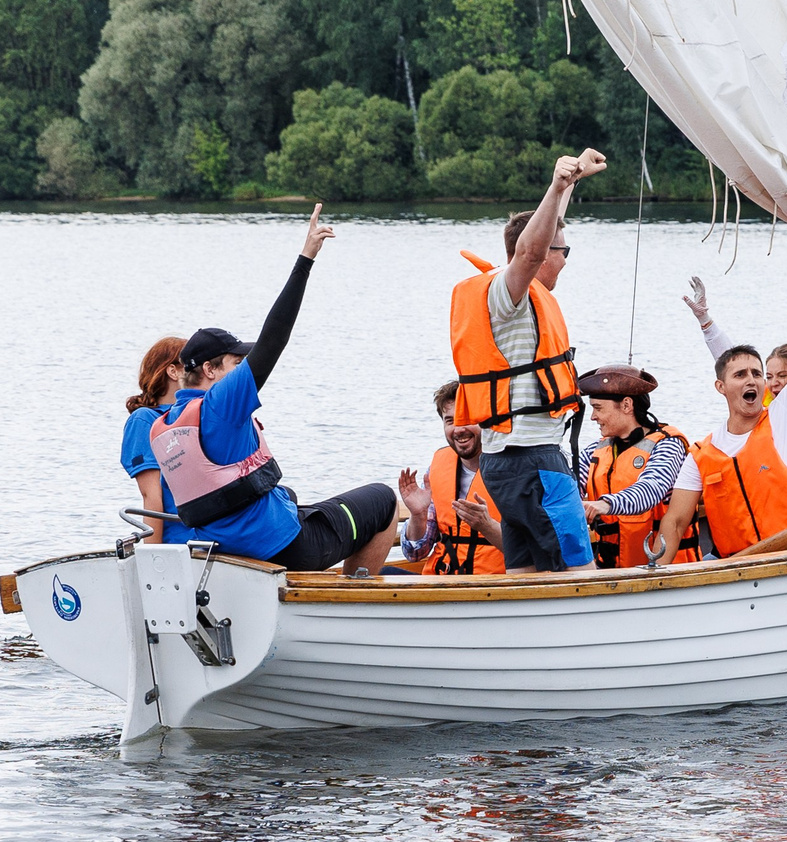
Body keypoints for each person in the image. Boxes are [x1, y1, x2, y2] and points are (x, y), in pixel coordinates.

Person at [150, 205, 401, 575]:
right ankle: (352, 598)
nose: (243, 370)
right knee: (384, 501)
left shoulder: (165, 427)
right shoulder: (220, 403)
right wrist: (305, 260)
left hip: (224, 552)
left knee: (295, 500)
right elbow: (274, 338)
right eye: (236, 363)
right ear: (209, 370)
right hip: (286, 548)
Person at [447, 150, 605, 573]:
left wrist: (571, 183)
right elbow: (530, 252)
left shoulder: (514, 293)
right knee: (578, 572)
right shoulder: (508, 294)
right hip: (534, 461)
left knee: (524, 574)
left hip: (504, 464)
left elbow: (541, 240)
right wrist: (555, 185)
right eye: (564, 251)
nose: (565, 259)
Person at [655, 269, 787, 558]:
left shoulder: (786, 418)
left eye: (757, 374)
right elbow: (675, 523)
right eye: (741, 375)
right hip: (736, 569)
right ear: (721, 387)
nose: (751, 380)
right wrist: (656, 573)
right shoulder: (701, 455)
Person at [682, 241, 787, 511]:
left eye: (783, 376)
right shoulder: (767, 408)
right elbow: (732, 366)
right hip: (776, 513)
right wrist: (706, 322)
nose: (774, 383)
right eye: (769, 376)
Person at [574, 365, 696, 567]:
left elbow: (651, 489)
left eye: (598, 408)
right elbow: (571, 486)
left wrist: (604, 505)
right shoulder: (594, 451)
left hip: (667, 570)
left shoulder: (669, 445)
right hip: (610, 570)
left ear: (626, 405)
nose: (593, 417)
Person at [395, 381, 504, 574]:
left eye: (466, 419)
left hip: (492, 584)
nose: (459, 429)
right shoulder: (437, 468)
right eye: (450, 421)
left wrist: (487, 526)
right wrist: (418, 515)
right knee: (380, 574)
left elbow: (537, 551)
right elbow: (415, 554)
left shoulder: (514, 471)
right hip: (441, 581)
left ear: (486, 421)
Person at [120, 334, 191, 544]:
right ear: (173, 371)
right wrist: (153, 555)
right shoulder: (144, 420)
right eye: (191, 366)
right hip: (180, 541)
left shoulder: (194, 413)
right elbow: (151, 496)